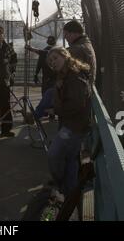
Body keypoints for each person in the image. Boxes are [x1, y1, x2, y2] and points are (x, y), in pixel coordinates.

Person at [46, 47, 91, 198]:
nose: (53, 62)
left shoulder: (73, 75)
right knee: (70, 159)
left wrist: (57, 111)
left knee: (54, 154)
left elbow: (77, 104)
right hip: (73, 123)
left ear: (65, 56)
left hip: (73, 125)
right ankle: (70, 195)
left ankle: (60, 184)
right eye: (50, 61)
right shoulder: (66, 73)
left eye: (55, 58)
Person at [63, 20, 96, 87]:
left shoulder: (77, 49)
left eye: (66, 34)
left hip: (79, 90)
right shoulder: (85, 44)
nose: (65, 37)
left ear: (74, 33)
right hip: (84, 86)